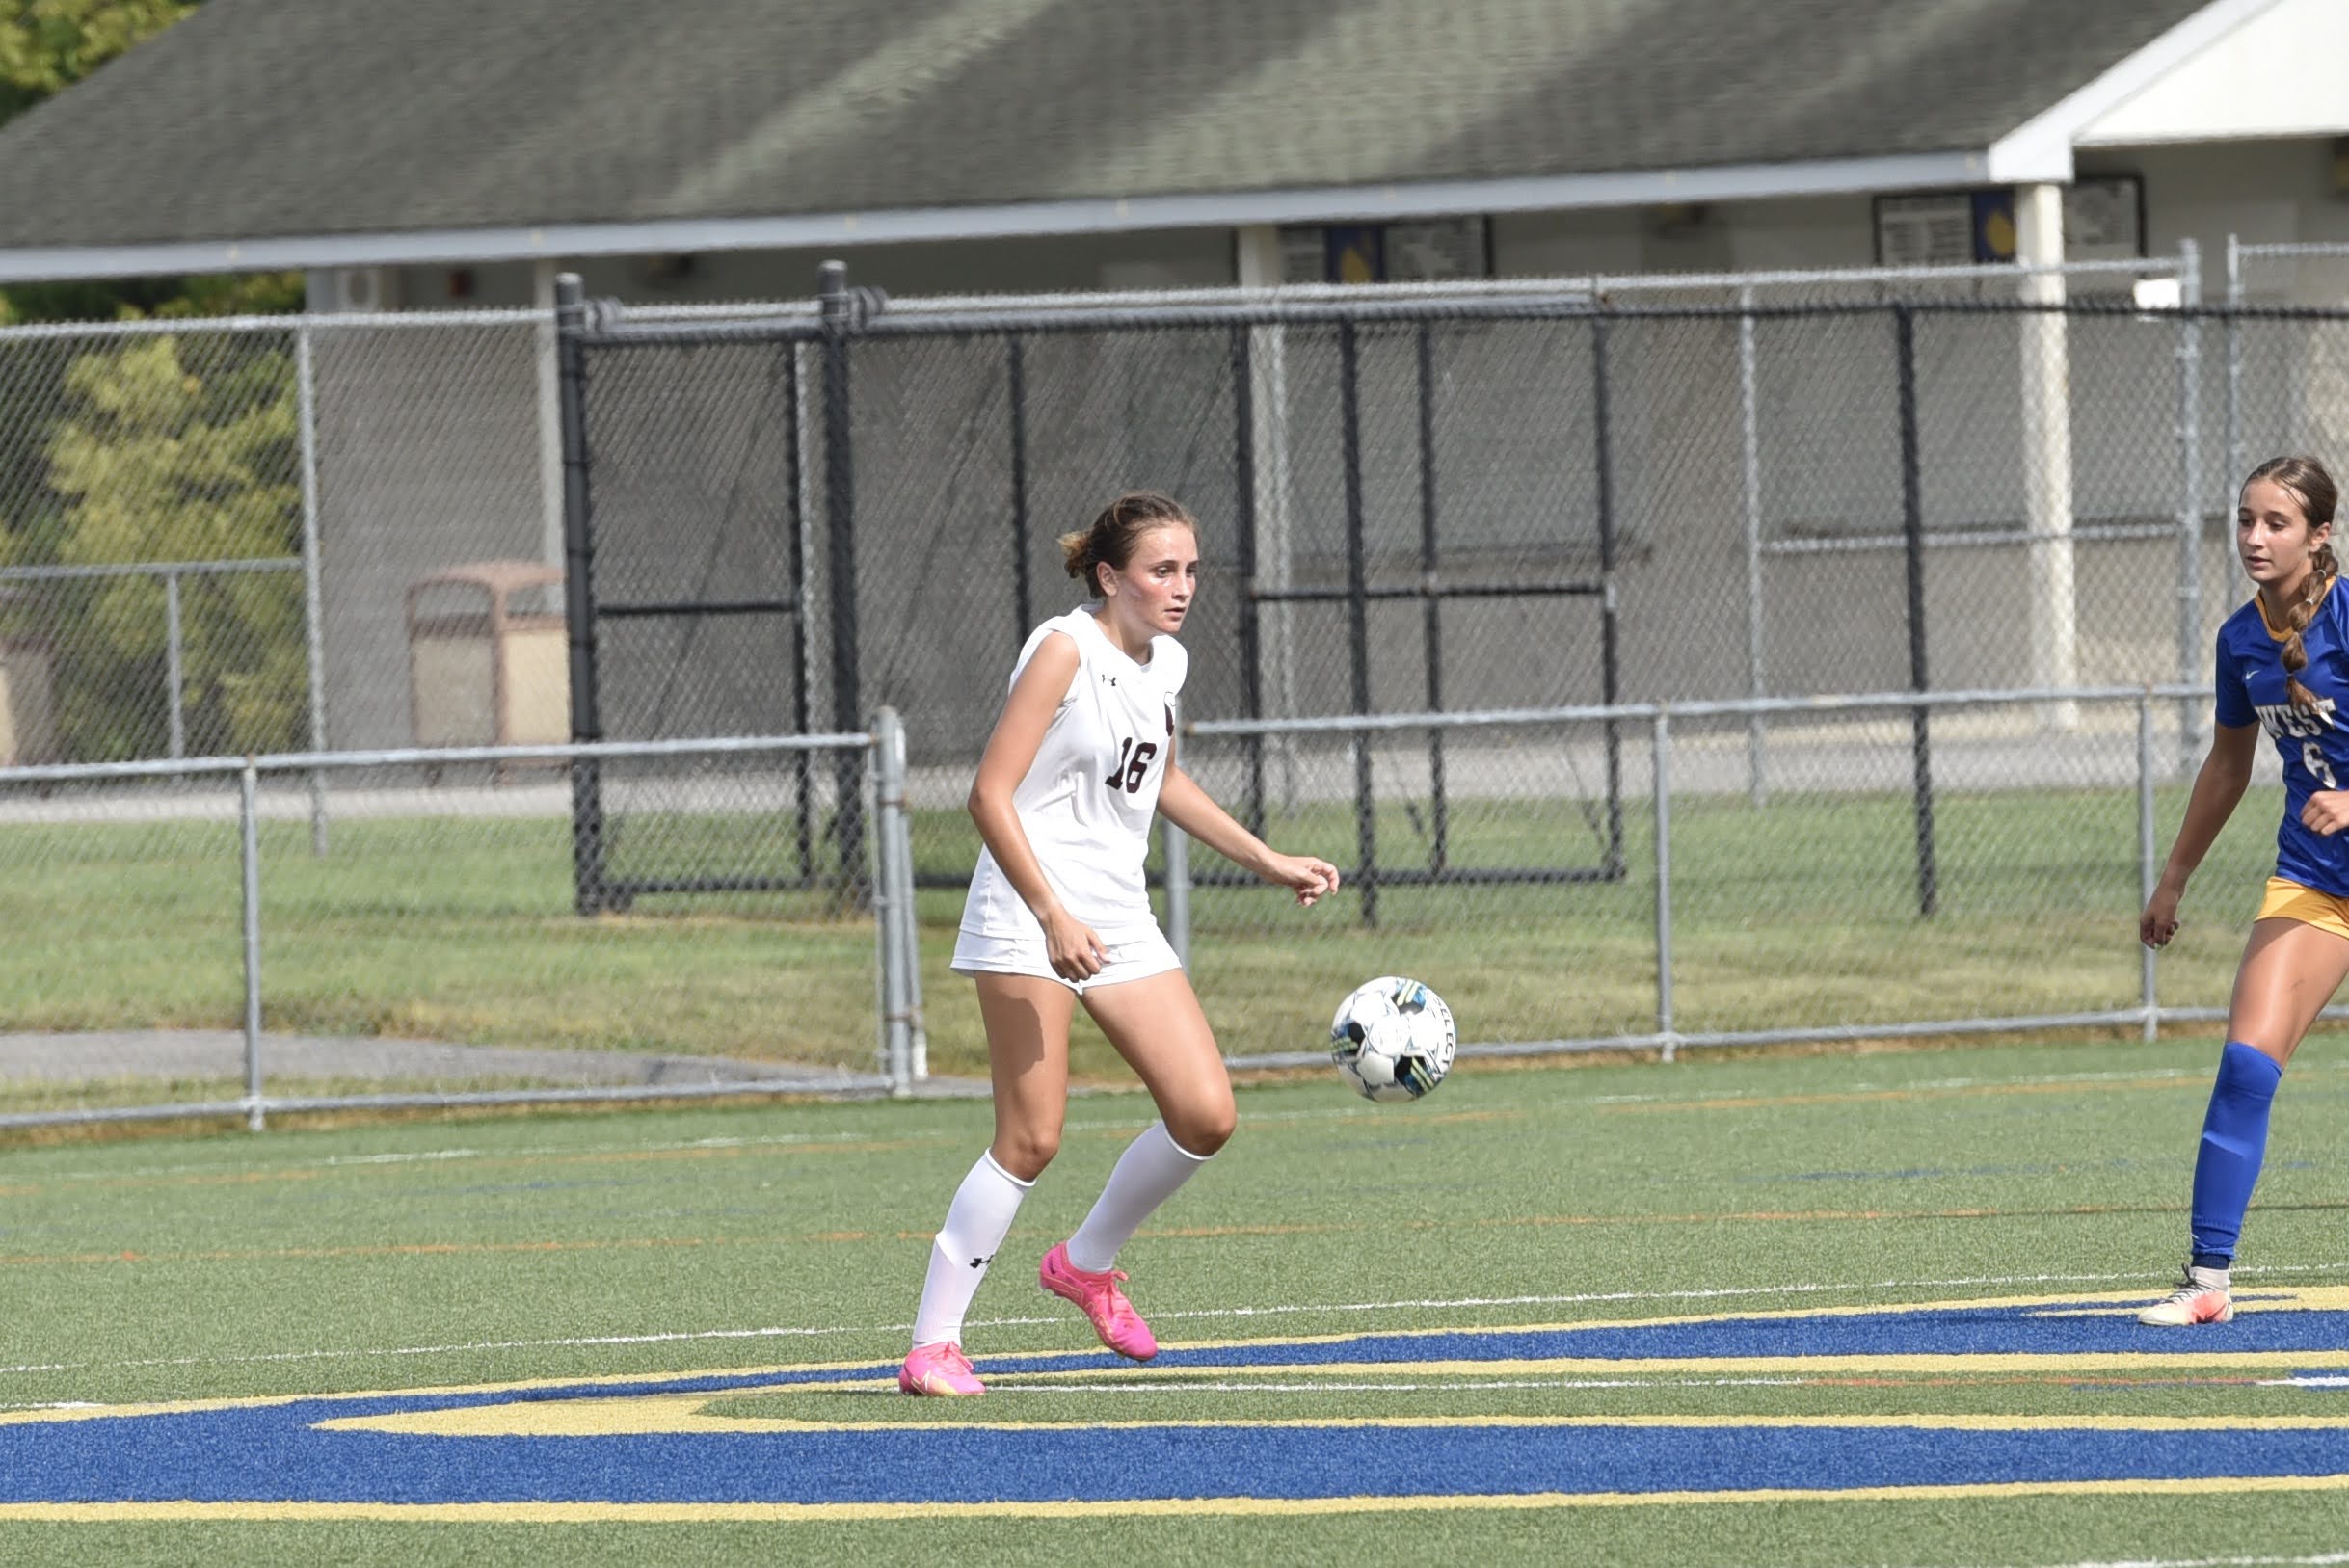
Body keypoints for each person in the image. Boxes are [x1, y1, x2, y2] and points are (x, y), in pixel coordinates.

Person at [897, 492, 1341, 1396]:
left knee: (1205, 1112)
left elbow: (1161, 777)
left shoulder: (1162, 663)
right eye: (1160, 571)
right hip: (1029, 908)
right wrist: (1052, 912)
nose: (1180, 588)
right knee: (1031, 1136)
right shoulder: (1065, 649)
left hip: (1116, 911)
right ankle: (931, 1345)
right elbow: (988, 793)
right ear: (1109, 576)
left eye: (1189, 571)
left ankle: (1085, 1264)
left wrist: (1265, 857)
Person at [2138, 454, 2346, 1326]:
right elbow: (2227, 765)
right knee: (2243, 1066)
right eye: (2245, 520)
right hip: (2315, 881)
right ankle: (2207, 1281)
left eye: (2276, 523)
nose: (2254, 537)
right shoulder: (2239, 638)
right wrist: (2173, 875)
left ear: (2319, 535)